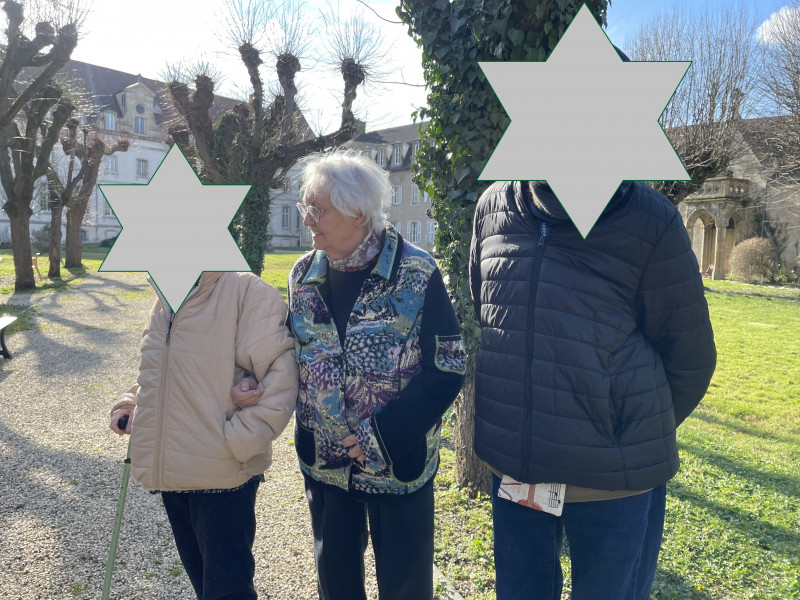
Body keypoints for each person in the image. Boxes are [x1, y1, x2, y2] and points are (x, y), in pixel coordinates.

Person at [469, 180, 717, 600]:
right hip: (519, 469)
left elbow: (690, 356)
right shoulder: (493, 204)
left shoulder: (650, 218)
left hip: (614, 484)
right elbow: (488, 307)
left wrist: (622, 430)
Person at [239, 150, 465, 600]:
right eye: (305, 207)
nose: (307, 220)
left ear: (358, 213)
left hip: (397, 465)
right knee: (337, 585)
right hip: (325, 465)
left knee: (405, 588)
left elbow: (448, 367)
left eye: (316, 209)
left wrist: (380, 434)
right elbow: (292, 351)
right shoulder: (303, 274)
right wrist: (255, 377)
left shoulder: (416, 272)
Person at [110, 271, 298, 600]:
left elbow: (280, 375)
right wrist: (131, 403)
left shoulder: (246, 291)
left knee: (228, 592)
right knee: (204, 587)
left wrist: (238, 440)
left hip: (222, 479)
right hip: (172, 474)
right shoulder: (164, 297)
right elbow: (163, 369)